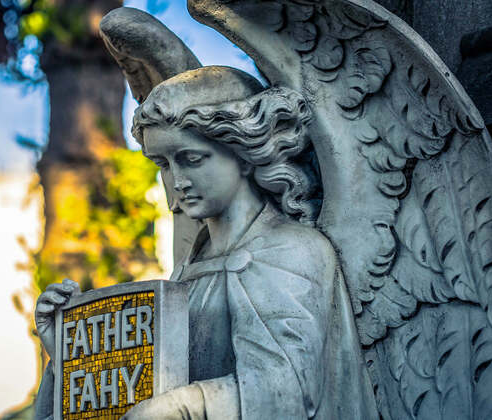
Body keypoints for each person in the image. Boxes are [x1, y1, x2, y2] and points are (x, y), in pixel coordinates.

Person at [34, 66, 378, 419]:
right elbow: (144, 389)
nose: (177, 180)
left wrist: (180, 408)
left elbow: (285, 391)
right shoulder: (191, 265)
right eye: (164, 164)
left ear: (244, 152)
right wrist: (71, 355)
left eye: (192, 159)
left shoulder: (290, 251)